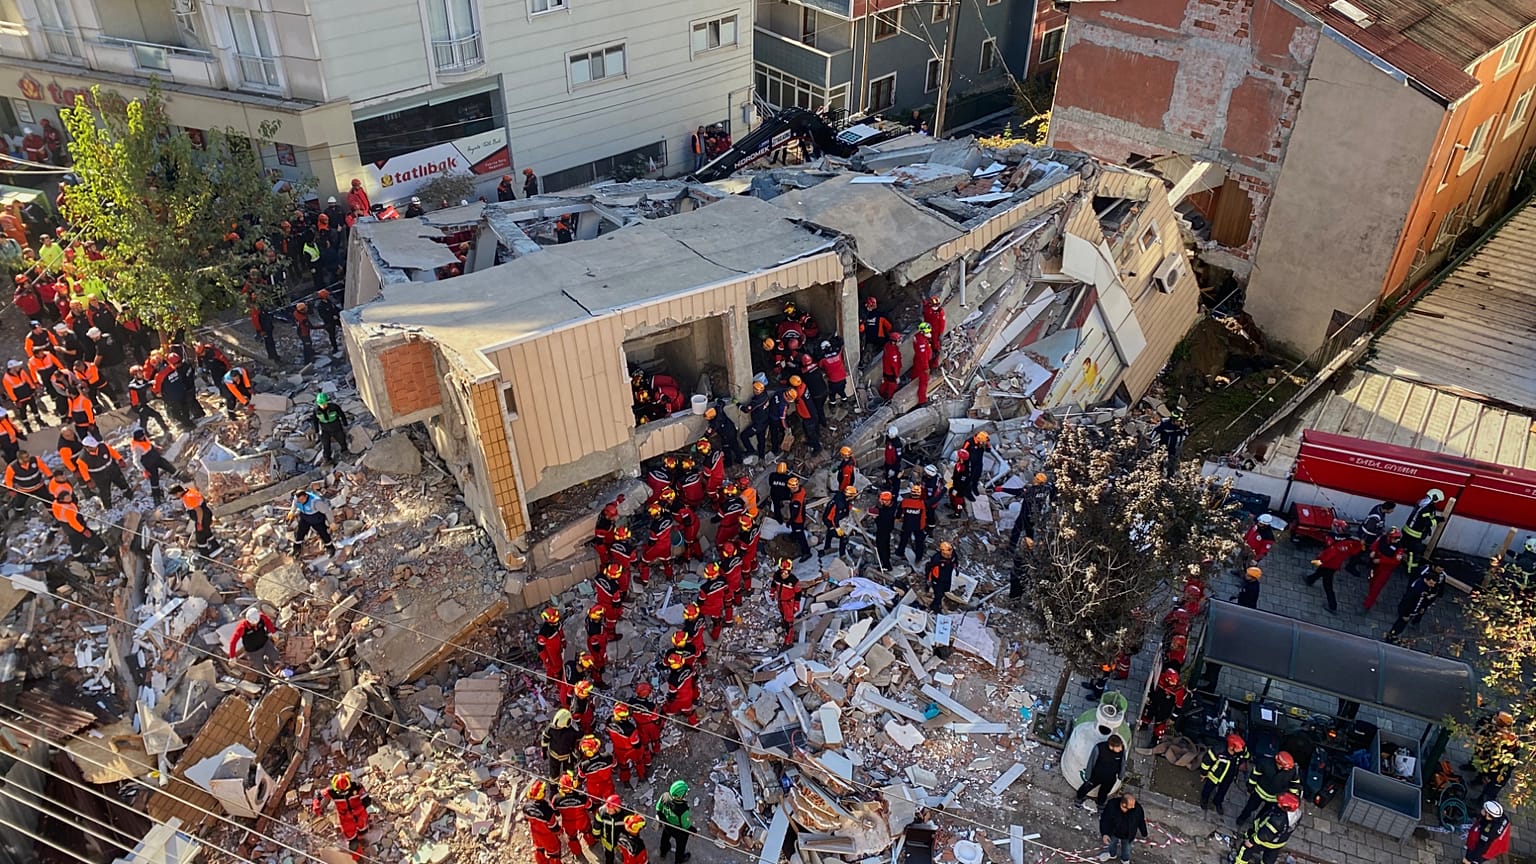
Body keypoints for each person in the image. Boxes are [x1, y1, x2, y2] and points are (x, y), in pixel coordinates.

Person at [312, 772, 371, 862]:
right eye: (340, 791)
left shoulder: (357, 786)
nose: (343, 793)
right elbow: (319, 794)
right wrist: (316, 804)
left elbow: (367, 801)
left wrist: (356, 811)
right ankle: (357, 857)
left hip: (359, 814)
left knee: (363, 830)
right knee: (352, 840)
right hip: (346, 819)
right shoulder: (332, 791)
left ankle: (361, 840)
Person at [1305, 521, 1362, 613]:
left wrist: (1318, 561)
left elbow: (1327, 556)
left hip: (1328, 564)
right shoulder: (1349, 541)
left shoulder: (1333, 542)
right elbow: (1356, 550)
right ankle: (1310, 579)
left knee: (1327, 584)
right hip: (1336, 564)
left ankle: (1333, 606)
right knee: (1320, 572)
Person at [1469, 711, 1522, 805]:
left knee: (1491, 791)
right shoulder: (1499, 732)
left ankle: (1483, 804)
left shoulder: (1509, 749)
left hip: (1499, 772)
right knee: (1484, 776)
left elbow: (1501, 766)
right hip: (1491, 764)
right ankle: (1478, 783)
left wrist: (1489, 776)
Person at [1236, 751, 1299, 826]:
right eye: (1286, 768)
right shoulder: (1265, 763)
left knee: (1265, 814)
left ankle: (1257, 824)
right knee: (1250, 807)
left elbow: (1295, 784)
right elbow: (1255, 773)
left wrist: (1293, 796)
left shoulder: (1292, 771)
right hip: (1259, 792)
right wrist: (1251, 785)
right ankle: (1242, 818)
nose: (1287, 770)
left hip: (1274, 798)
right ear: (1279, 763)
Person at [1234, 794, 1301, 864]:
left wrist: (1251, 841)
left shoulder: (1277, 821)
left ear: (1286, 808)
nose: (1278, 803)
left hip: (1265, 842)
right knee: (1269, 859)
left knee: (1246, 848)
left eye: (1280, 803)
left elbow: (1265, 835)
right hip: (1279, 843)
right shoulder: (1297, 814)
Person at [1385, 563, 1444, 641]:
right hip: (1407, 611)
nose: (1432, 586)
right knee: (1400, 624)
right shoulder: (1417, 588)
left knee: (1403, 625)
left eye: (1433, 584)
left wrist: (1422, 607)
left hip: (1414, 610)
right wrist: (1405, 614)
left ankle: (1394, 635)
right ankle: (1391, 636)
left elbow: (1423, 599)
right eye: (1431, 583)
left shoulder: (1425, 587)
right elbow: (1408, 601)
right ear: (1426, 579)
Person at [77, 435, 132, 509]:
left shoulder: (103, 446)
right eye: (93, 447)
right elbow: (83, 471)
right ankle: (108, 506)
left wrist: (120, 459)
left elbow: (112, 452)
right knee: (104, 492)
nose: (96, 447)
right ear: (87, 447)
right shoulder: (82, 459)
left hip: (112, 469)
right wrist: (88, 481)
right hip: (99, 476)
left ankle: (128, 494)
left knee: (121, 482)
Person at [1199, 734, 1248, 815]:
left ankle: (1217, 802)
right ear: (1231, 747)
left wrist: (1242, 761)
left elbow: (1246, 755)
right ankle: (1204, 799)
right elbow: (1206, 761)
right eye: (1239, 748)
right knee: (1208, 788)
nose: (1241, 750)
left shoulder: (1241, 751)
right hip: (1215, 775)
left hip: (1229, 775)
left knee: (1223, 790)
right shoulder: (1218, 750)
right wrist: (1203, 773)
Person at [1075, 735, 1127, 810]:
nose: (1120, 749)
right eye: (1118, 747)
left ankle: (1100, 803)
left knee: (1105, 792)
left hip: (1111, 777)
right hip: (1097, 775)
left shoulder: (1121, 751)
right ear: (1111, 746)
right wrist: (1088, 775)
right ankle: (1079, 798)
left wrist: (1121, 775)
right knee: (1086, 787)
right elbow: (1091, 762)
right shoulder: (1099, 748)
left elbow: (1122, 763)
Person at [227, 606, 283, 676]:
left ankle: (280, 671)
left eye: (257, 622)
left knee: (275, 656)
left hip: (265, 644)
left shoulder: (261, 617)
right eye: (253, 624)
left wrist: (273, 632)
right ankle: (267, 679)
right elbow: (233, 642)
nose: (255, 624)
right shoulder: (242, 627)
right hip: (253, 651)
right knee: (261, 668)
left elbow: (268, 622)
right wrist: (232, 656)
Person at [52, 488, 104, 560]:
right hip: (76, 529)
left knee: (76, 545)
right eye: (67, 498)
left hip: (68, 529)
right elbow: (74, 523)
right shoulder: (68, 509)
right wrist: (83, 530)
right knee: (93, 539)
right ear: (62, 500)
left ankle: (79, 557)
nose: (70, 498)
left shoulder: (56, 503)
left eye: (69, 496)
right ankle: (107, 552)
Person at [554, 772, 597, 856]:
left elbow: (556, 813)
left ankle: (577, 852)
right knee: (587, 831)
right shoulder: (582, 797)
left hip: (568, 823)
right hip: (582, 820)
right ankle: (591, 843)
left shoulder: (556, 799)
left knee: (572, 838)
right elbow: (590, 807)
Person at [171, 483, 221, 557]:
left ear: (178, 492)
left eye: (175, 494)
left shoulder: (188, 498)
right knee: (206, 531)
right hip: (207, 513)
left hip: (202, 517)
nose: (175, 496)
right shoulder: (190, 490)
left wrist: (199, 523)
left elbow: (199, 511)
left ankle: (205, 555)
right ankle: (216, 546)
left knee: (200, 537)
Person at [1097, 793, 1148, 863]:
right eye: (1131, 805)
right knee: (1111, 844)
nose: (1134, 806)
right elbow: (1105, 819)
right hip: (1113, 833)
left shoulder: (1137, 808)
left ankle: (1125, 860)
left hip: (1128, 835)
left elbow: (1141, 821)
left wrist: (1144, 833)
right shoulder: (1112, 805)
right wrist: (1105, 833)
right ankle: (1112, 854)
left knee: (1126, 848)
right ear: (1123, 805)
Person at [1362, 527, 1405, 610]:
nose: (1397, 540)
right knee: (1371, 581)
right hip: (1375, 563)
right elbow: (1376, 544)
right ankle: (1370, 597)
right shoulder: (1383, 538)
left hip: (1385, 568)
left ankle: (1368, 604)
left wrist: (1381, 560)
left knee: (1377, 586)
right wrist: (1373, 551)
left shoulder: (1399, 548)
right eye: (1395, 538)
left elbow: (1396, 561)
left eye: (1398, 537)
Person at [1349, 500, 1396, 575]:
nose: (1392, 511)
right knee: (1361, 550)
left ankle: (1356, 560)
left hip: (1368, 536)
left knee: (1363, 550)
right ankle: (1350, 566)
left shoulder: (1379, 508)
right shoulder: (1376, 517)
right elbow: (1370, 528)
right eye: (1392, 509)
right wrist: (1381, 532)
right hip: (1367, 537)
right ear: (1387, 509)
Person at [289, 487, 337, 558]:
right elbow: (295, 503)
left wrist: (331, 522)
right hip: (305, 517)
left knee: (323, 533)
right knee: (300, 532)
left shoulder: (316, 502)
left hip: (317, 519)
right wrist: (292, 511)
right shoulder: (297, 498)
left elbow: (327, 511)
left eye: (302, 499)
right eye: (299, 500)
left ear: (306, 496)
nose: (301, 501)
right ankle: (296, 548)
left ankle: (330, 548)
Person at [523, 780, 563, 864]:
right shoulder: (547, 811)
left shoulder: (526, 807)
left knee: (539, 850)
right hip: (547, 837)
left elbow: (526, 819)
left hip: (536, 835)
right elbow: (553, 827)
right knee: (554, 854)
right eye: (544, 791)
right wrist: (560, 830)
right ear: (542, 794)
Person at [3, 450, 51, 516]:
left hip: (39, 487)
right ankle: (19, 515)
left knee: (48, 500)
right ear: (20, 459)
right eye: (26, 457)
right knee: (19, 504)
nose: (28, 458)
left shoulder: (35, 460)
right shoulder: (12, 467)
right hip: (24, 490)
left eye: (28, 456)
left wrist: (51, 477)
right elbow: (8, 479)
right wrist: (11, 489)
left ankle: (52, 512)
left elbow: (45, 468)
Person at [654, 780, 692, 864]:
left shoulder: (665, 796)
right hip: (678, 830)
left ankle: (663, 852)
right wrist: (692, 829)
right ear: (681, 795)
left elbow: (658, 808)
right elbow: (685, 825)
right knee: (680, 846)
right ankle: (679, 860)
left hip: (666, 824)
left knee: (665, 837)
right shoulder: (683, 809)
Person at [311, 392, 349, 465]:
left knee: (342, 439)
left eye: (325, 403)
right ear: (318, 404)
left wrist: (345, 424)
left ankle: (345, 451)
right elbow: (315, 421)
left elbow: (342, 415)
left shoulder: (334, 407)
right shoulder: (316, 411)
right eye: (321, 404)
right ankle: (327, 459)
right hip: (325, 429)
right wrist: (316, 431)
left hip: (336, 427)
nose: (323, 405)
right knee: (325, 445)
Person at [541, 708, 580, 778]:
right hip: (566, 756)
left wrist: (544, 751)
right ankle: (565, 783)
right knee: (567, 772)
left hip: (555, 755)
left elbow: (545, 741)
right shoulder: (572, 731)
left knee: (555, 773)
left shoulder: (550, 728)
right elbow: (580, 737)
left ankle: (555, 787)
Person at [770, 558, 800, 647]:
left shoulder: (793, 580)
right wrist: (772, 593)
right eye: (782, 571)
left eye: (786, 572)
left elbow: (798, 593)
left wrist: (796, 604)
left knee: (789, 621)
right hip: (781, 601)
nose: (784, 574)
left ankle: (789, 639)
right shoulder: (777, 576)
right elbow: (774, 584)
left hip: (789, 603)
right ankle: (784, 624)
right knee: (783, 615)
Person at [820, 485, 856, 558]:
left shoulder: (840, 495)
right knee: (843, 537)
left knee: (830, 533)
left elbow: (846, 504)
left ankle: (827, 548)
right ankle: (842, 556)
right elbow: (835, 518)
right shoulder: (840, 505)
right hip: (829, 520)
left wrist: (851, 508)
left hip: (827, 517)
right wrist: (837, 528)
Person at [896, 482, 928, 562]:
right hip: (918, 526)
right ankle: (918, 557)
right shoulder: (921, 504)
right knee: (919, 542)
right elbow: (923, 515)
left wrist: (898, 518)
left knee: (904, 539)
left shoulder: (905, 502)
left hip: (907, 524)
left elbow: (899, 512)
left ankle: (900, 552)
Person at [1153, 412, 1189, 477]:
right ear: (1173, 420)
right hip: (1163, 446)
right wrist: (1151, 439)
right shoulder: (1165, 423)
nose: (1179, 422)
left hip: (1174, 447)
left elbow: (1186, 434)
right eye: (1178, 421)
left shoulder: (1182, 425)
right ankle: (1158, 473)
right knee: (1161, 460)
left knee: (1172, 462)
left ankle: (1170, 475)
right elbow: (1155, 430)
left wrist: (1183, 429)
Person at [925, 541, 957, 613]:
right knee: (938, 594)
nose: (949, 556)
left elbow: (955, 561)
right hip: (938, 579)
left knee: (946, 591)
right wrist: (929, 580)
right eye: (947, 555)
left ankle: (943, 604)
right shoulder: (936, 559)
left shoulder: (953, 554)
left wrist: (956, 568)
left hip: (948, 577)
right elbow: (929, 569)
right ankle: (934, 607)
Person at [594, 795, 626, 864]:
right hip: (608, 841)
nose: (607, 811)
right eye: (607, 808)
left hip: (621, 842)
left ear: (617, 808)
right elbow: (597, 825)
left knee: (624, 854)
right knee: (609, 856)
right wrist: (596, 836)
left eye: (610, 810)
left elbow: (639, 819)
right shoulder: (602, 812)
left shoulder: (626, 813)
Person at [785, 476, 811, 561]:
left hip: (798, 520)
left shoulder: (796, 500)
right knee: (795, 530)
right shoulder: (801, 490)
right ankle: (793, 537)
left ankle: (806, 552)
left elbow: (795, 514)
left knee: (801, 535)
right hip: (801, 514)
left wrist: (789, 522)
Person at [536, 606, 565, 681]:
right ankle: (557, 676)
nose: (556, 623)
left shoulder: (557, 624)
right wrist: (546, 660)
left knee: (563, 661)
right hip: (552, 652)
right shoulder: (544, 633)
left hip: (560, 648)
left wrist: (563, 641)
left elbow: (560, 632)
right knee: (556, 665)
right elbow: (540, 648)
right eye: (554, 621)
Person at [873, 490, 896, 571]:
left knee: (882, 547)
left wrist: (876, 517)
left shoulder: (886, 512)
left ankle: (886, 565)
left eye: (882, 500)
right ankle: (887, 558)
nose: (880, 501)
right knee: (886, 545)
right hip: (887, 530)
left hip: (883, 530)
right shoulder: (891, 506)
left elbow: (880, 520)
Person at [314, 289, 342, 353]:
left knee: (343, 327)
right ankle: (335, 348)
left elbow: (334, 308)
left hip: (336, 319)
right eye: (327, 295)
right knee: (332, 335)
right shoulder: (320, 306)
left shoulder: (329, 302)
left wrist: (340, 312)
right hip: (329, 322)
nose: (328, 296)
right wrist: (331, 317)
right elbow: (323, 316)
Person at [879, 330, 903, 400]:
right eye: (898, 341)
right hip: (891, 373)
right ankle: (889, 399)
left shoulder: (887, 346)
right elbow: (894, 366)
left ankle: (881, 394)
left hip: (886, 370)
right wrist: (897, 376)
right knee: (892, 387)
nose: (900, 343)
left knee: (885, 383)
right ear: (893, 342)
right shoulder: (893, 352)